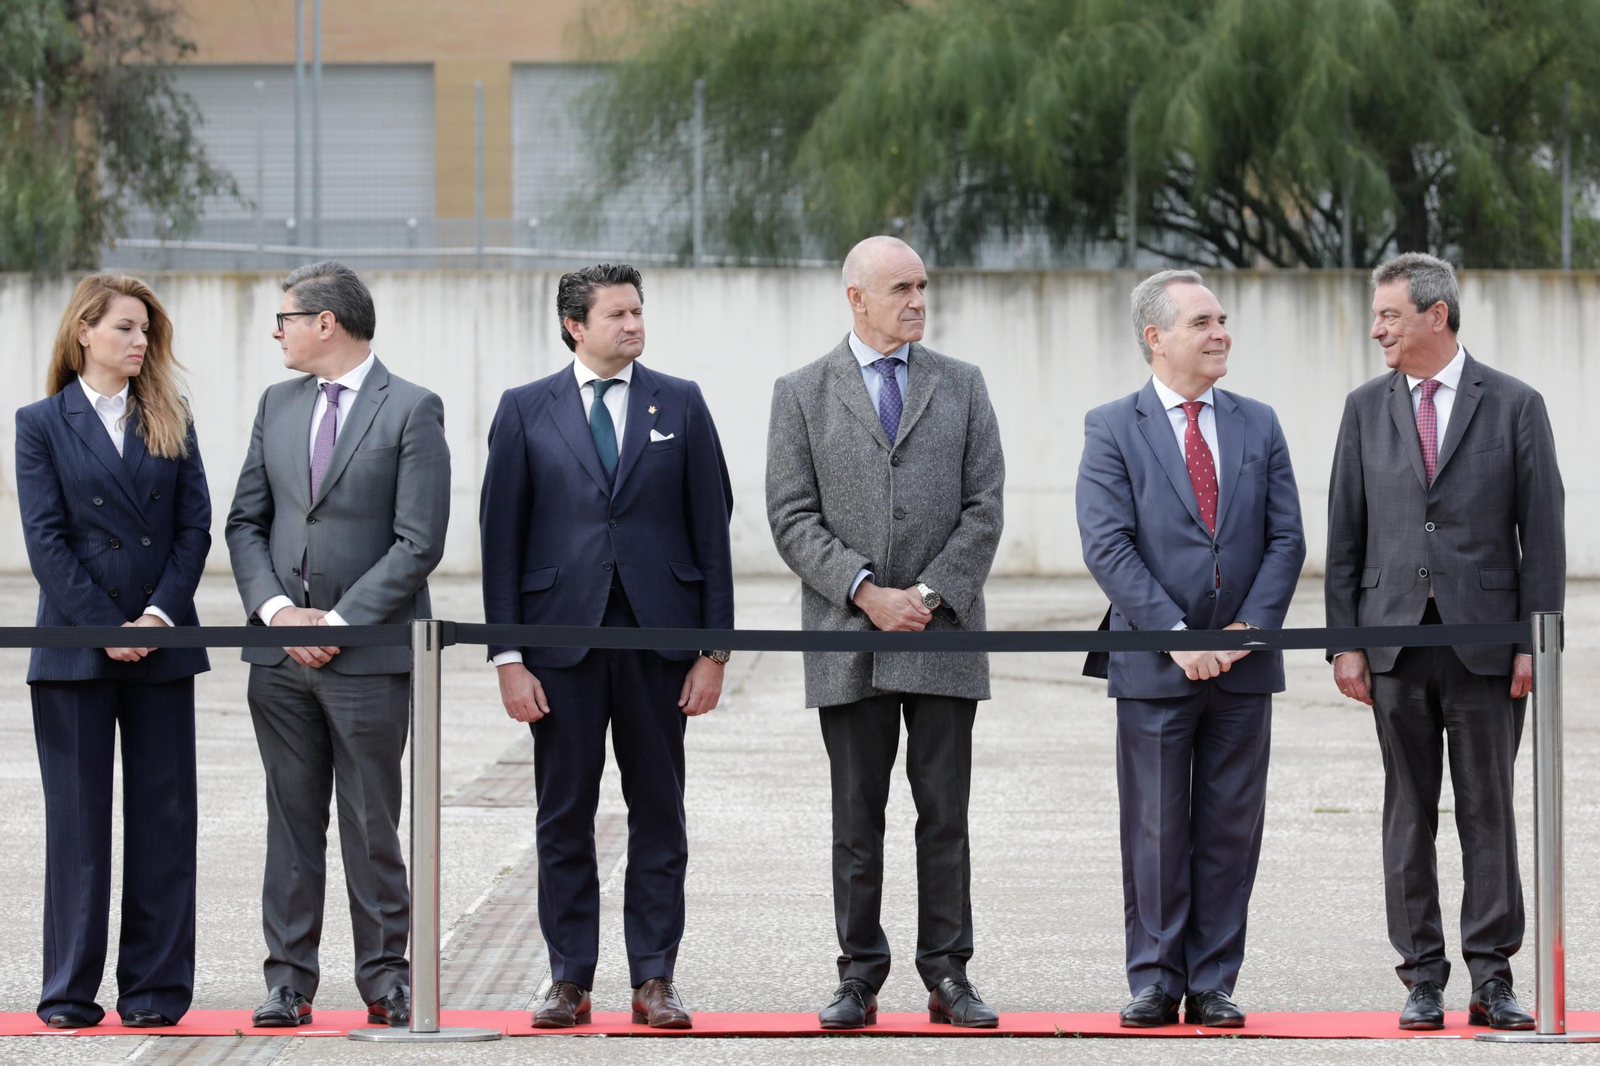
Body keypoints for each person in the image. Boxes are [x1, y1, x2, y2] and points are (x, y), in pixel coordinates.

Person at [480, 263, 733, 1030]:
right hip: (559, 646)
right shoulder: (525, 409)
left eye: (637, 311)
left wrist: (713, 650)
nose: (633, 324)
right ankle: (569, 979)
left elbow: (712, 529)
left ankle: (655, 978)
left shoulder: (680, 403)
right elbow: (500, 541)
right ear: (574, 326)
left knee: (659, 810)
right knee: (563, 814)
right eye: (617, 314)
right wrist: (508, 657)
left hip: (661, 643)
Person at [766, 235, 1005, 1030]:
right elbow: (791, 516)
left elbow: (985, 506)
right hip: (849, 635)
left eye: (922, 286)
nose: (917, 301)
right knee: (855, 821)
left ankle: (949, 974)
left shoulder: (962, 385)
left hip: (943, 634)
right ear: (856, 297)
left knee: (945, 817)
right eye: (900, 288)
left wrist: (927, 595)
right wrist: (866, 592)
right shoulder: (801, 393)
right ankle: (859, 976)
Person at [1325, 252, 1564, 1032]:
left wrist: (1534, 642)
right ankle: (1421, 976)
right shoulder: (1364, 408)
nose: (1376, 329)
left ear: (1436, 315)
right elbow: (1345, 534)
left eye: (1389, 315)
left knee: (1489, 810)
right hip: (1391, 645)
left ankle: (1492, 977)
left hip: (1488, 648)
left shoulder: (1516, 404)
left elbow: (1543, 535)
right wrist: (1344, 643)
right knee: (1408, 811)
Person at [1076, 269, 1304, 1029]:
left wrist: (1245, 633)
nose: (1220, 333)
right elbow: (1107, 545)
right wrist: (1175, 638)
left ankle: (1213, 983)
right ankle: (1153, 978)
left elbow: (1286, 538)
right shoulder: (1113, 426)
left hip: (1244, 667)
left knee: (1231, 831)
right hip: (1154, 665)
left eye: (1222, 320)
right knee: (1156, 829)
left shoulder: (1258, 423)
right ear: (1156, 337)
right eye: (1202, 322)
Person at [225, 261, 451, 1029]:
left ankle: (387, 979)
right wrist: (278, 613)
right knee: (291, 825)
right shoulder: (276, 404)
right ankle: (288, 982)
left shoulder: (412, 409)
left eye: (285, 318)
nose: (277, 333)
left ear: (326, 323)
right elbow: (245, 522)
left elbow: (418, 542)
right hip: (277, 659)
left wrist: (338, 623)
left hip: (368, 657)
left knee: (371, 823)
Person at [15, 274, 211, 1029]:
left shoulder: (171, 414)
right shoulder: (41, 423)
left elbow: (194, 527)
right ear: (84, 331)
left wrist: (157, 616)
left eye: (146, 330)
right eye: (126, 327)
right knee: (77, 825)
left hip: (163, 641)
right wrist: (107, 626)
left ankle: (155, 991)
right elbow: (46, 541)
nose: (139, 341)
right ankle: (68, 991)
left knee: (165, 820)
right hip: (74, 645)